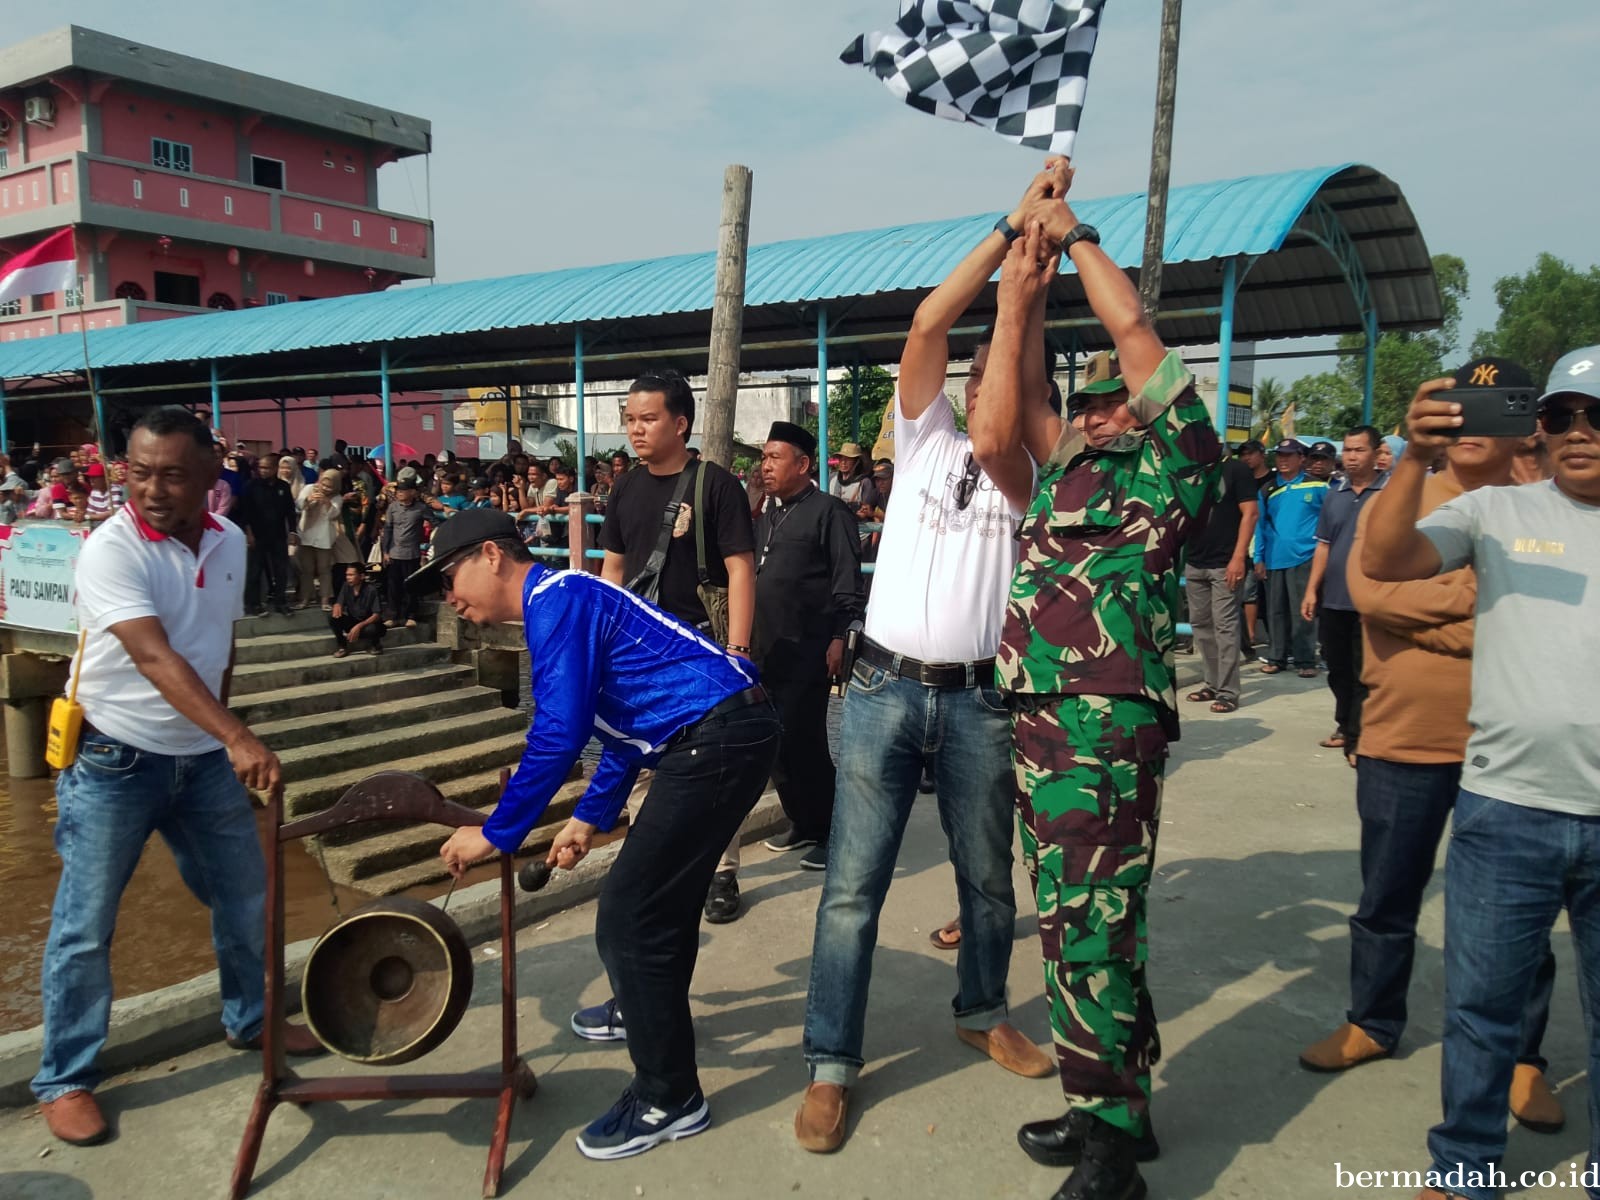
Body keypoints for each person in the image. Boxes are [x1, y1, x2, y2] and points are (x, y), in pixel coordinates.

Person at [796, 167, 1067, 1160]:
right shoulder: (920, 438)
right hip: (879, 687)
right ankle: (832, 1064)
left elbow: (1014, 387)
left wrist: (1026, 300)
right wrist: (1008, 234)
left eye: (1004, 375)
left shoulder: (1032, 465)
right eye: (973, 373)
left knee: (987, 882)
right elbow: (924, 324)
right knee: (853, 888)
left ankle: (982, 1006)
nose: (980, 384)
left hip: (980, 702)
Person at [975, 170, 1223, 1198]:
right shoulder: (1063, 472)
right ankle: (1111, 1107)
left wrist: (1075, 238)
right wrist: (1018, 285)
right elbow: (1005, 412)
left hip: (1103, 727)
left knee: (1091, 926)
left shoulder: (1174, 468)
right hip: (1042, 724)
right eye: (1083, 407)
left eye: (1111, 399)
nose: (1092, 411)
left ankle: (1112, 1152)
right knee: (1078, 921)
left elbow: (1136, 338)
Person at [428, 510, 778, 1161]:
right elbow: (623, 729)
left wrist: (497, 833)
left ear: (491, 555)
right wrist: (590, 817)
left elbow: (559, 732)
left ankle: (670, 1097)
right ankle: (646, 1011)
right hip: (721, 734)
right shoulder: (565, 599)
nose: (450, 595)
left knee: (626, 917)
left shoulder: (556, 600)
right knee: (660, 910)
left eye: (451, 576)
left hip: (715, 740)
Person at [31, 407, 323, 1148]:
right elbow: (156, 656)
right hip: (113, 760)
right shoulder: (110, 549)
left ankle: (252, 1019)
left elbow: (215, 644)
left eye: (172, 474)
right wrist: (239, 736)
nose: (152, 489)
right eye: (138, 471)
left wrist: (218, 734)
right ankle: (65, 1078)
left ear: (210, 476)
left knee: (246, 897)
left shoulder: (229, 541)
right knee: (84, 926)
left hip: (200, 764)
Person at [1299, 359, 1562, 1141]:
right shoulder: (1404, 497)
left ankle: (1525, 1056)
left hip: (1514, 748)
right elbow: (1372, 590)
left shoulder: (1549, 507)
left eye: (1493, 406)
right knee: (1386, 900)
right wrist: (1487, 607)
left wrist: (1432, 610)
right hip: (1405, 737)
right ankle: (1373, 1022)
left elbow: (1547, 619)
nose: (1472, 422)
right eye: (1458, 405)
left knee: (1526, 920)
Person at [1362, 349, 1600, 1200]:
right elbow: (1385, 566)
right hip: (1508, 810)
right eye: (1562, 415)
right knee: (1481, 1007)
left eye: (1596, 417)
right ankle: (1465, 1170)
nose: (1579, 433)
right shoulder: (1495, 509)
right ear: (1540, 426)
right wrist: (1412, 458)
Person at [599, 368, 756, 925]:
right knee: (645, 759)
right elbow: (613, 566)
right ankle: (656, 858)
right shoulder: (624, 487)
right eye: (629, 420)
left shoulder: (715, 484)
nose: (635, 430)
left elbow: (741, 568)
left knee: (712, 761)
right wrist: (602, 640)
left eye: (648, 419)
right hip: (639, 653)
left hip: (700, 650)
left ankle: (722, 872)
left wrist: (736, 649)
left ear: (680, 422)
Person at [752, 421, 865, 870]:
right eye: (763, 458)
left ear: (802, 464)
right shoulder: (767, 513)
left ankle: (833, 830)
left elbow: (847, 585)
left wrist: (840, 636)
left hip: (810, 647)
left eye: (774, 458)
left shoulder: (829, 512)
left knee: (807, 741)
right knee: (772, 742)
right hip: (766, 647)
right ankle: (802, 820)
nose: (765, 466)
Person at [1299, 425, 1383, 757]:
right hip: (1334, 597)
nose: (1351, 456)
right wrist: (1311, 590)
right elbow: (1323, 546)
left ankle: (1359, 737)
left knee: (1366, 672)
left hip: (1372, 599)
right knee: (1338, 668)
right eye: (1347, 449)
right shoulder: (1335, 494)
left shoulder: (1390, 493)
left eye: (1359, 450)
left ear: (1376, 454)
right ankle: (1345, 725)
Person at [1182, 433, 1258, 714]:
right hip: (1195, 561)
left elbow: (1250, 514)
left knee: (1225, 627)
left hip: (1226, 562)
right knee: (1201, 626)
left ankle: (1228, 691)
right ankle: (1211, 683)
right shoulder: (1192, 473)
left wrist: (1239, 557)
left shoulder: (1236, 469)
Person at [1255, 438, 1327, 677]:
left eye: (1288, 455)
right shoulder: (1267, 489)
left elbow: (1330, 521)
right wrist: (1259, 558)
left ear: (1301, 458)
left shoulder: (1317, 486)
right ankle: (1277, 657)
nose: (1283, 460)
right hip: (1274, 558)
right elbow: (1259, 525)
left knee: (1302, 610)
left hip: (1305, 557)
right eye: (1279, 455)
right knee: (1275, 611)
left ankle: (1306, 660)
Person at [233, 454, 296, 617]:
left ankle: (280, 602)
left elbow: (290, 511)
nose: (262, 471)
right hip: (257, 535)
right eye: (260, 467)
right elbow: (245, 512)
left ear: (275, 468)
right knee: (255, 570)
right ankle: (253, 604)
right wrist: (249, 534)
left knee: (281, 570)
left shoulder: (283, 487)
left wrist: (293, 531)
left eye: (266, 468)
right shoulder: (251, 486)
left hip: (278, 535)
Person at [1235, 439, 1273, 653]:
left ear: (1262, 454)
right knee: (1246, 591)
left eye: (1250, 453)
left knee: (1260, 594)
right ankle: (1249, 637)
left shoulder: (1274, 481)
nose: (1246, 458)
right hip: (1244, 542)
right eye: (1243, 454)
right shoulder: (1241, 478)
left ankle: (1255, 635)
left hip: (1267, 542)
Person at [380, 477, 425, 628]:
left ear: (412, 492)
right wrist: (385, 551)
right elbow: (387, 529)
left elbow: (434, 522)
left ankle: (411, 616)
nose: (399, 493)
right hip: (394, 552)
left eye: (403, 491)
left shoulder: (420, 508)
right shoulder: (392, 507)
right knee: (393, 586)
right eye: (398, 491)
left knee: (410, 586)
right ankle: (392, 616)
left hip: (412, 553)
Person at [295, 471, 341, 610]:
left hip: (324, 537)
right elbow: (298, 505)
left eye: (329, 487)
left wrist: (327, 502)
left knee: (324, 569)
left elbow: (334, 514)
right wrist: (308, 499)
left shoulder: (337, 497)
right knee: (306, 569)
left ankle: (325, 600)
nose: (325, 488)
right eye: (324, 484)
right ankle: (305, 599)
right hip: (306, 534)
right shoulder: (309, 488)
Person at [329, 563, 384, 657]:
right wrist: (337, 606)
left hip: (367, 623)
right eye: (347, 575)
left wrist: (358, 626)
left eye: (351, 575)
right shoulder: (346, 586)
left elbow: (376, 615)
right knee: (333, 618)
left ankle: (375, 645)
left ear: (362, 576)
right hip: (352, 620)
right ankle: (342, 646)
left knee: (374, 628)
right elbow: (340, 602)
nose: (348, 577)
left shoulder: (371, 590)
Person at [827, 441, 878, 513]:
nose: (843, 462)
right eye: (841, 458)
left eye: (848, 458)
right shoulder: (832, 478)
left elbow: (866, 510)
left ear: (856, 461)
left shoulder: (864, 482)